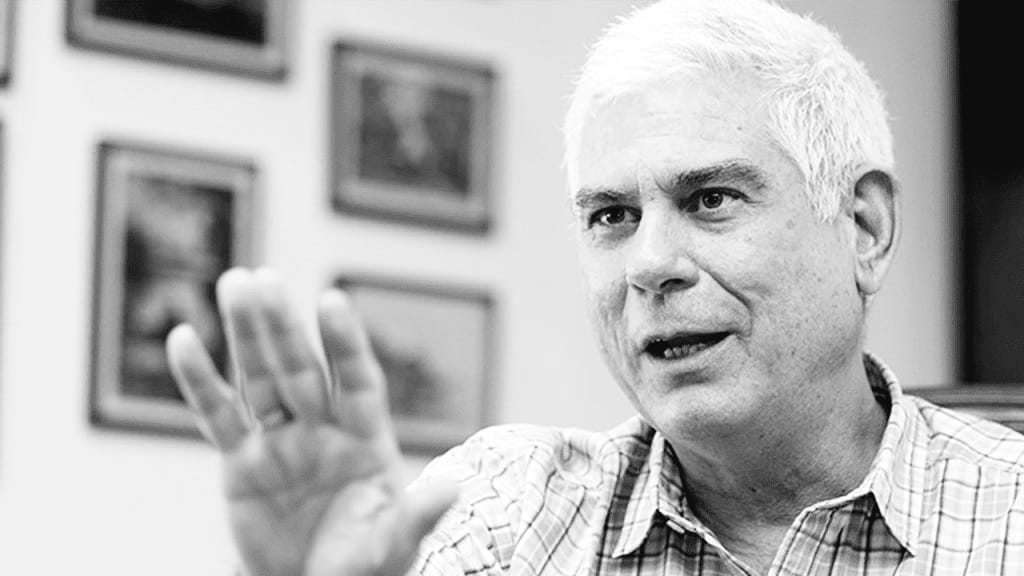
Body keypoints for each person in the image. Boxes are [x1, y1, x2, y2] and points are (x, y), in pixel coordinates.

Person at [166, 0, 1024, 574]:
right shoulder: (501, 516)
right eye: (612, 215)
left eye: (711, 199)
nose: (650, 264)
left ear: (864, 227)